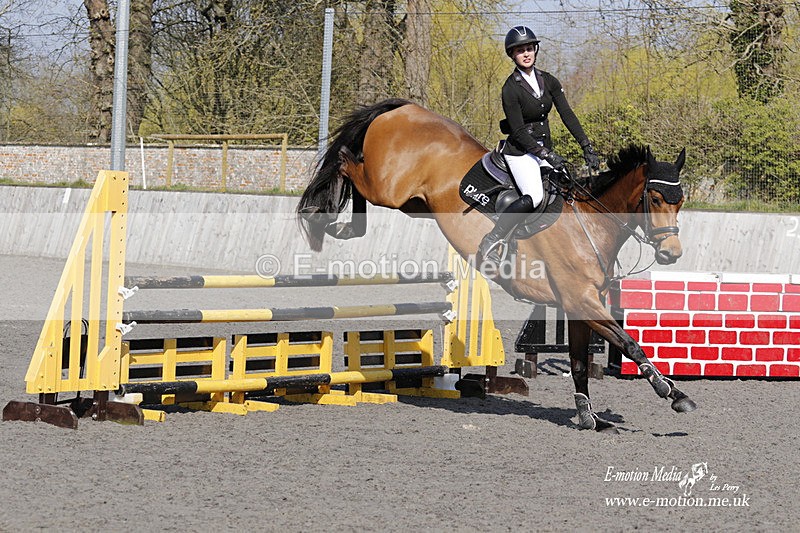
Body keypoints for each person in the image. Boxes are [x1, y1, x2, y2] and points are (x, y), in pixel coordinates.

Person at [478, 25, 601, 261]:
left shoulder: (549, 81)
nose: (526, 54)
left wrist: (586, 146)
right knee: (534, 196)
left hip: (543, 151)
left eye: (529, 48)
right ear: (512, 55)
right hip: (520, 152)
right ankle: (493, 239)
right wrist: (546, 154)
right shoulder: (510, 88)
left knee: (566, 188)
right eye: (520, 50)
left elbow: (567, 114)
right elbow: (518, 131)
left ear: (535, 50)